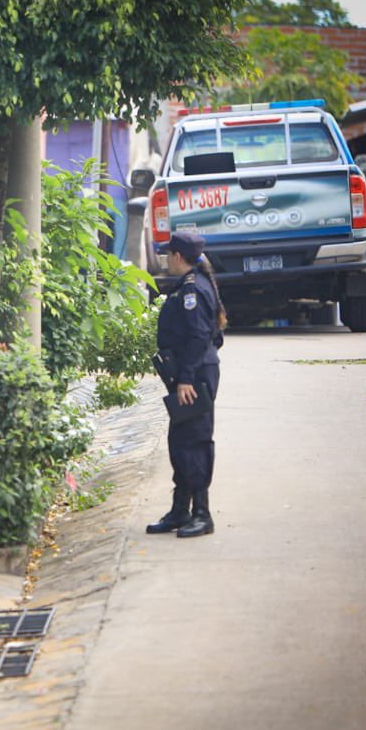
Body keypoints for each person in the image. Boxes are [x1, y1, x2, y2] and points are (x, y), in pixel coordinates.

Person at [146, 230, 226, 538]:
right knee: (180, 441)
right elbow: (213, 336)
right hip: (190, 372)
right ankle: (180, 510)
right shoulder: (193, 285)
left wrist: (187, 378)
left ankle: (202, 514)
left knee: (195, 442)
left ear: (178, 256)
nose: (166, 259)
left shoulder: (193, 290)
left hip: (193, 376)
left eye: (168, 254)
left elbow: (199, 336)